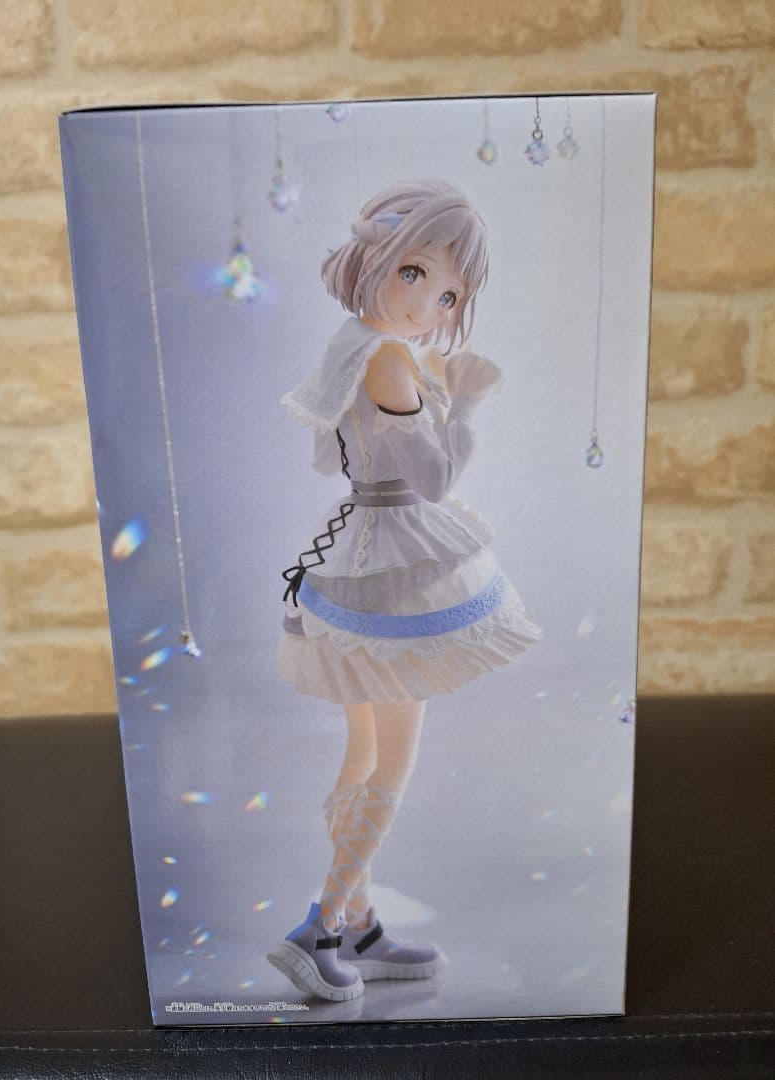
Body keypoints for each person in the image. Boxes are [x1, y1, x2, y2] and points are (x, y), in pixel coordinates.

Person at [266, 179, 542, 1002]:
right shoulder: (388, 356)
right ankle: (318, 927)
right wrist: (468, 399)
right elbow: (436, 477)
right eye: (415, 273)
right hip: (395, 560)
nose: (428, 304)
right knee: (394, 756)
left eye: (448, 294)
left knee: (362, 752)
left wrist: (436, 387)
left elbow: (342, 456)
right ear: (377, 258)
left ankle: (357, 924)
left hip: (360, 546)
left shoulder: (355, 342)